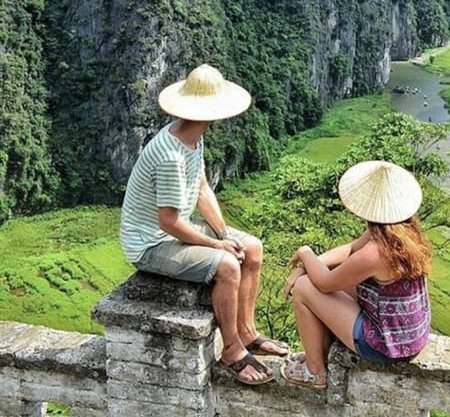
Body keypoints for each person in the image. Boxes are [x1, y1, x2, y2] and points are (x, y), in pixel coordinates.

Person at [119, 64, 288, 386]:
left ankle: (247, 331)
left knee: (251, 247)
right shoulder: (171, 156)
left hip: (176, 228)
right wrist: (217, 246)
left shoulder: (191, 137)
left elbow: (201, 188)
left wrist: (224, 234)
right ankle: (233, 351)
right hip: (150, 244)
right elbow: (167, 222)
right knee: (227, 266)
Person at [281, 160, 432, 389]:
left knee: (304, 287)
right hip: (408, 335)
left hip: (385, 345)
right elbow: (350, 250)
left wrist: (305, 253)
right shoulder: (402, 232)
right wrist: (310, 265)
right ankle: (319, 353)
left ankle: (315, 372)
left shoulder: (376, 252)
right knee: (320, 275)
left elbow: (324, 283)